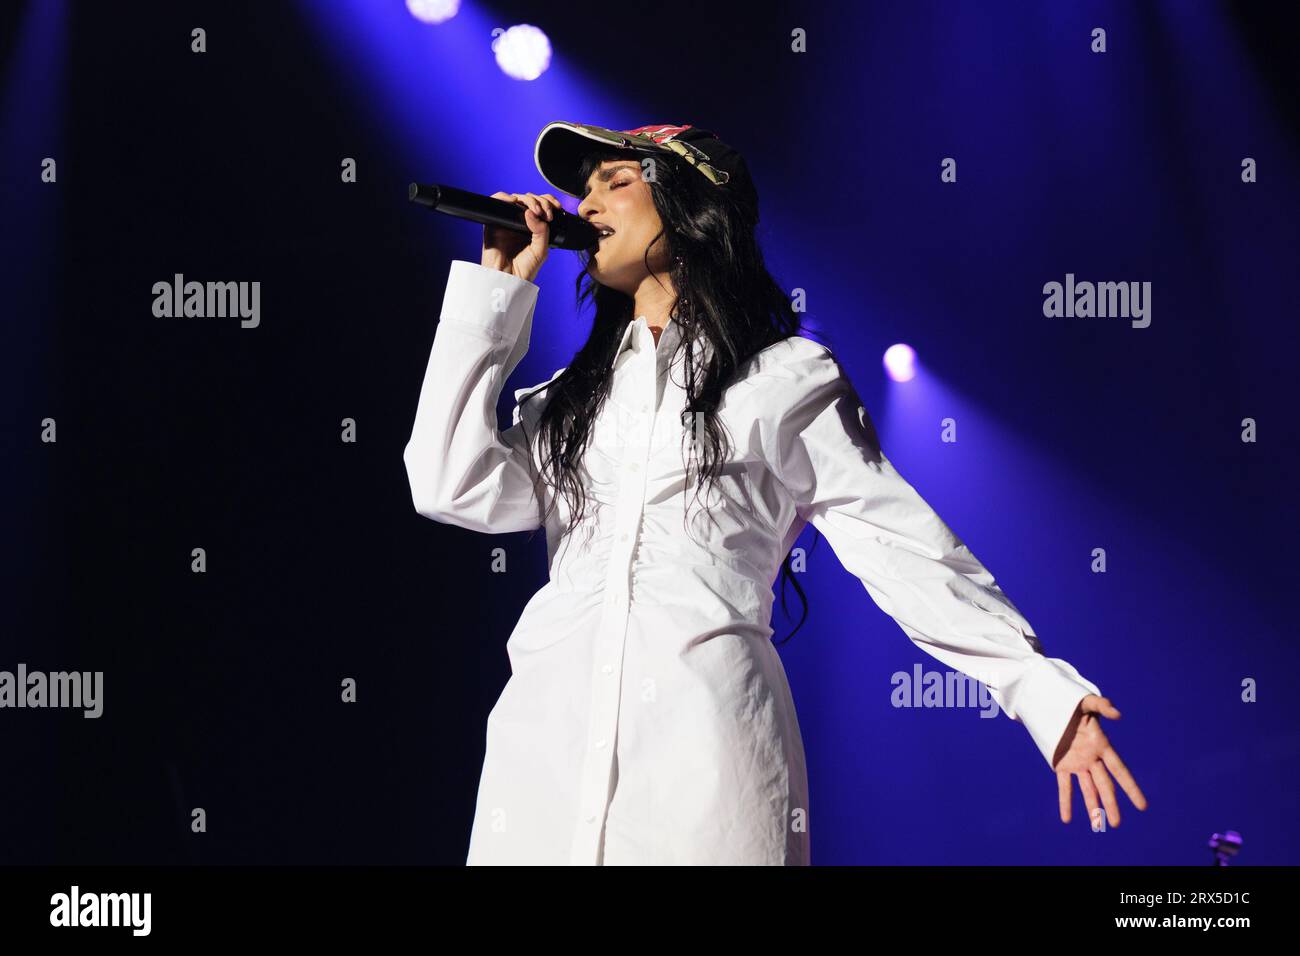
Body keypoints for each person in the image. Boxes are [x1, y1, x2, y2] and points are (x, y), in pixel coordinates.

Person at [403, 121, 1147, 865]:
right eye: (584, 189)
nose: (588, 204)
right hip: (543, 772)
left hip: (704, 778)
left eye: (616, 181)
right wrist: (495, 295)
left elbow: (899, 548)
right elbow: (448, 485)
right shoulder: (571, 400)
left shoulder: (784, 377)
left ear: (692, 204)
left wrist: (1041, 694)